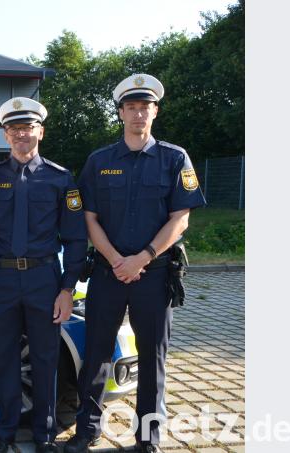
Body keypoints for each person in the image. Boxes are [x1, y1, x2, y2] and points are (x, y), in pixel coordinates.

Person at [65, 74, 207, 453]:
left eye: (145, 107)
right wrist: (115, 260)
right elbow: (88, 217)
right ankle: (87, 431)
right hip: (108, 274)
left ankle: (148, 440)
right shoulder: (99, 161)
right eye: (131, 107)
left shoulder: (175, 158)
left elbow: (181, 217)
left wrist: (142, 257)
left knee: (153, 358)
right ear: (121, 113)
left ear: (155, 112)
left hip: (154, 274)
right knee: (95, 354)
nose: (138, 114)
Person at [0, 97, 87, 453]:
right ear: (6, 135)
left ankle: (44, 433)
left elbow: (76, 238)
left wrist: (68, 289)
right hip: (1, 279)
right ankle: (2, 431)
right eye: (15, 129)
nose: (22, 134)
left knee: (45, 358)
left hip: (44, 280)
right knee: (2, 355)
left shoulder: (61, 178)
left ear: (40, 132)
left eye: (28, 128)